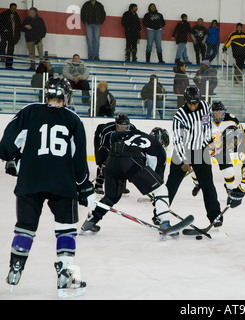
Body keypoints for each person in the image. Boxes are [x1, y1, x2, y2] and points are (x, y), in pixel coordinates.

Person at [0, 77, 94, 298]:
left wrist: (14, 160)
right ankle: (64, 277)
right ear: (67, 96)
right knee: (66, 228)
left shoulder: (30, 111)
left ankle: (16, 267)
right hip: (63, 183)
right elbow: (79, 162)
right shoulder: (73, 120)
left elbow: (6, 147)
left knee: (25, 226)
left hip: (30, 181)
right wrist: (85, 188)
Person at [81, 122, 174, 239]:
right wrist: (158, 208)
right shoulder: (158, 147)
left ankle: (91, 221)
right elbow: (157, 178)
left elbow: (114, 136)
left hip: (112, 161)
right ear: (162, 141)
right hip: (131, 162)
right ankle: (165, 223)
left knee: (111, 197)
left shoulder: (136, 133)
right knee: (161, 189)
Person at [166, 86, 222, 227]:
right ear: (185, 101)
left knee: (208, 185)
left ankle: (215, 216)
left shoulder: (205, 107)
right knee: (171, 185)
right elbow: (177, 140)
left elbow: (207, 126)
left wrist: (211, 143)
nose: (192, 105)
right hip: (182, 151)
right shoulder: (180, 115)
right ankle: (159, 213)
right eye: (190, 103)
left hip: (200, 151)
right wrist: (184, 160)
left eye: (195, 102)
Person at [191, 101, 243, 196]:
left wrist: (230, 144)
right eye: (216, 113)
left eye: (220, 112)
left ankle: (230, 188)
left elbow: (240, 134)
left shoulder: (231, 119)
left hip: (222, 148)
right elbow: (196, 135)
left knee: (228, 170)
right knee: (193, 168)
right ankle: (198, 184)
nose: (218, 115)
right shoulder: (204, 120)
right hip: (205, 146)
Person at [92, 114, 136, 195]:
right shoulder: (107, 131)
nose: (123, 129)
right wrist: (106, 159)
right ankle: (98, 185)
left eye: (125, 127)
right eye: (120, 127)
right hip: (103, 144)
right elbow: (103, 147)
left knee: (124, 163)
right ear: (116, 125)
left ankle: (121, 186)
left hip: (120, 146)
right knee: (103, 163)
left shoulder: (132, 130)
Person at [0, 3, 21, 69]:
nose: (14, 10)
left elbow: (18, 27)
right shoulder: (4, 14)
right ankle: (2, 57)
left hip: (13, 36)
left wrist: (17, 37)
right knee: (3, 45)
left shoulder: (16, 16)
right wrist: (4, 30)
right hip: (5, 35)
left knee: (11, 51)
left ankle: (9, 65)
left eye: (15, 8)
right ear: (10, 8)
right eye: (13, 8)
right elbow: (1, 23)